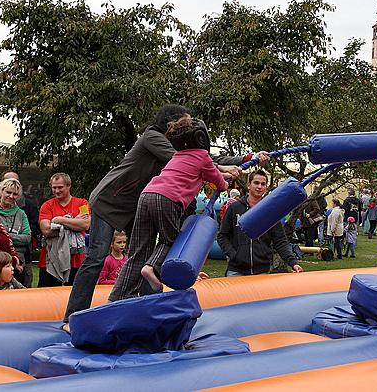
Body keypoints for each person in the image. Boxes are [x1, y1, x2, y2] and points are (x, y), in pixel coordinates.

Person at [63, 104, 256, 326]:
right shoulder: (151, 137)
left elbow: (202, 156)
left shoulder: (186, 148)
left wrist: (243, 159)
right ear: (171, 124)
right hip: (111, 200)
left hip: (138, 202)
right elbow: (189, 159)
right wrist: (221, 171)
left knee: (141, 254)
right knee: (96, 257)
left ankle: (137, 308)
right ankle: (72, 316)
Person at [110, 116, 230, 299]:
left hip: (146, 196)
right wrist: (225, 183)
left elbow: (199, 172)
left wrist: (225, 172)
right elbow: (216, 179)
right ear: (201, 137)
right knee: (170, 240)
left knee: (137, 252)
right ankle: (151, 268)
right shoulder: (203, 156)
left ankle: (116, 298)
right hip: (168, 199)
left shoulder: (177, 156)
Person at [217, 170, 303, 276]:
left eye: (263, 184)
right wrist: (233, 254)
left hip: (262, 270)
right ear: (249, 185)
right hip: (236, 270)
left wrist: (293, 263)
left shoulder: (271, 211)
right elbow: (222, 236)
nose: (259, 187)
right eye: (256, 183)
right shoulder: (234, 208)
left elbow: (280, 241)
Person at [38, 173, 90, 287]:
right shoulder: (47, 205)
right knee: (47, 298)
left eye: (60, 187)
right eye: (54, 187)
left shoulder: (82, 203)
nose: (57, 191)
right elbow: (46, 230)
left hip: (76, 260)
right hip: (51, 260)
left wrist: (59, 220)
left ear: (69, 185)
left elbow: (85, 224)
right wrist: (74, 222)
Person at [0, 178, 32, 287]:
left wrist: (5, 234)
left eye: (15, 194)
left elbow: (27, 238)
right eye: (8, 192)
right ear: (1, 191)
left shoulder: (21, 213)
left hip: (18, 262)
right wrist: (15, 237)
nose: (11, 196)